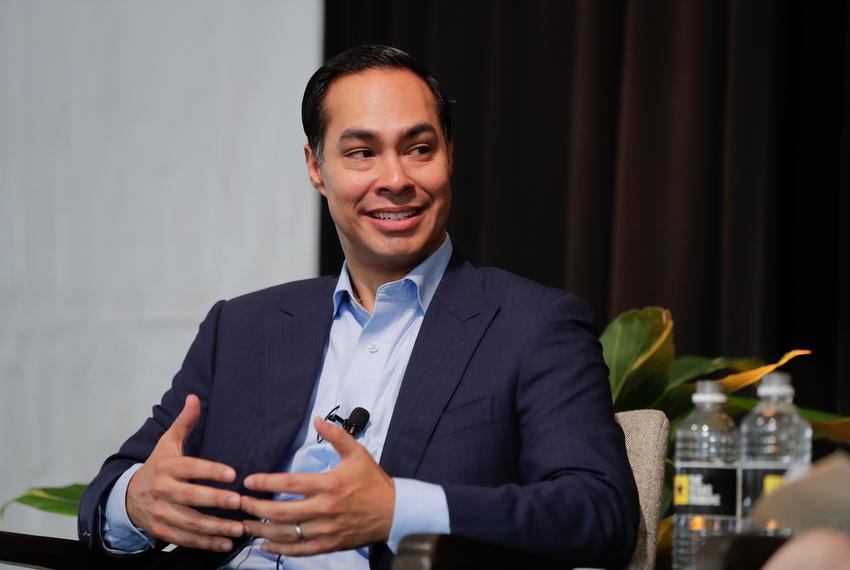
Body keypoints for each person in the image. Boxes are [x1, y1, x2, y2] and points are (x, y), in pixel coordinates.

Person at [77, 45, 640, 569]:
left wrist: (399, 510)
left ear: (450, 156)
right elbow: (119, 483)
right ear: (317, 168)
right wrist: (136, 502)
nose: (395, 179)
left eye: (419, 149)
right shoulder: (242, 326)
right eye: (361, 152)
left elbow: (599, 511)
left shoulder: (533, 324)